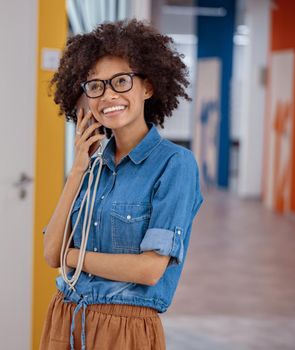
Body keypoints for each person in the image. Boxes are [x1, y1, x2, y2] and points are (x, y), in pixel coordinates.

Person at [40, 19, 204, 350]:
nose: (108, 95)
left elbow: (149, 270)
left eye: (120, 81)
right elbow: (50, 253)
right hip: (65, 317)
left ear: (148, 87)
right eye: (95, 86)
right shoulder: (92, 165)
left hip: (125, 330)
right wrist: (77, 171)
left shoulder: (175, 165)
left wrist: (74, 256)